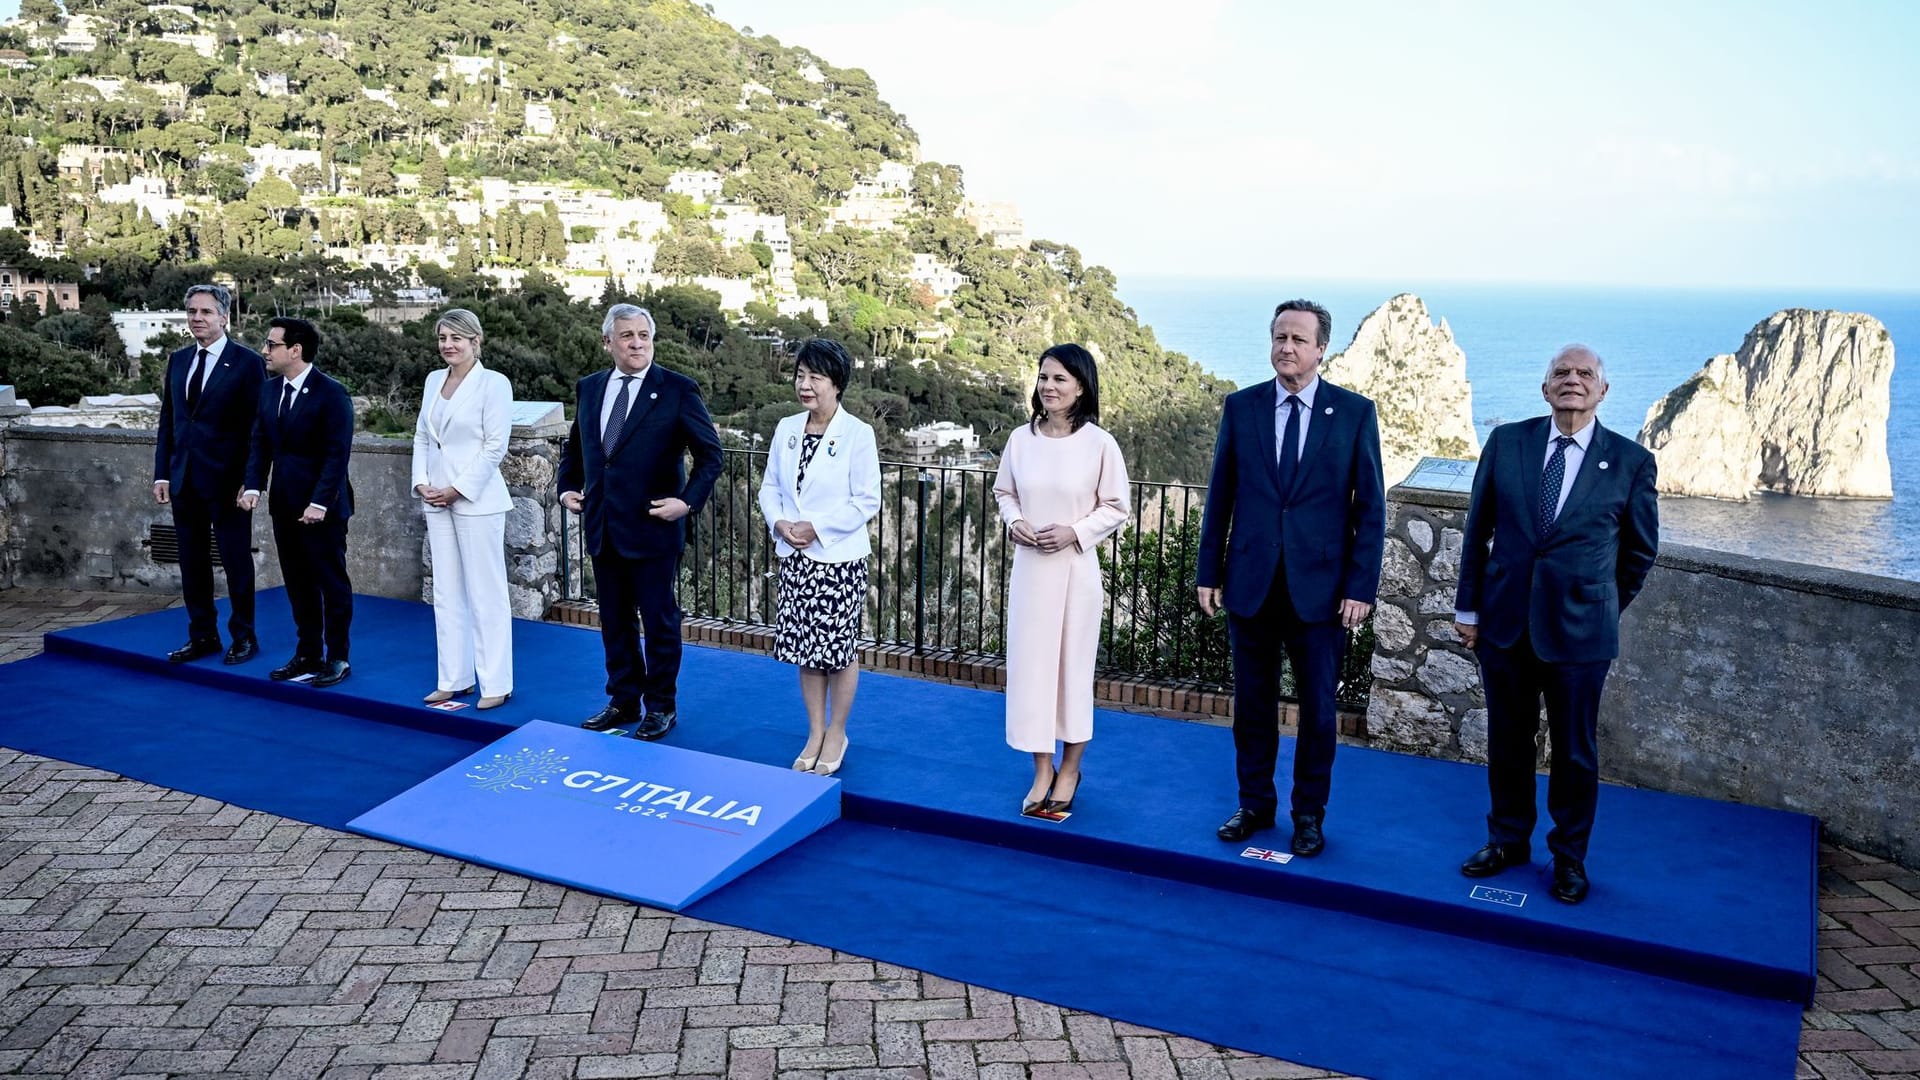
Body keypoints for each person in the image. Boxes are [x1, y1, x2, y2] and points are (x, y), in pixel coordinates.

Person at [1454, 344, 1659, 904]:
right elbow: (1478, 533)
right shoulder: (1507, 443)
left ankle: (1569, 858)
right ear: (1545, 389)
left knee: (1573, 751)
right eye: (1561, 373)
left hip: (1580, 636)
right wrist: (1467, 610)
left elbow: (1639, 554)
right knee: (1508, 741)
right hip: (1505, 627)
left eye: (1584, 374)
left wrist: (1599, 608)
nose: (1573, 380)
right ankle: (1507, 842)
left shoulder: (1630, 462)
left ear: (1602, 391)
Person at [1196, 299, 1385, 857]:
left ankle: (1308, 815)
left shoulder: (1353, 414)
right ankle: (1254, 804)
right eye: (1280, 337)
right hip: (1251, 583)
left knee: (1319, 712)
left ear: (1321, 348)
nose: (1287, 348)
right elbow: (1221, 495)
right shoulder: (1242, 407)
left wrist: (1359, 585)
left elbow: (1369, 509)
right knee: (1251, 704)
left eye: (1299, 339)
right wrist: (1209, 571)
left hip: (1322, 592)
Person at [559, 303, 724, 740]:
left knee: (659, 621)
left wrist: (686, 504)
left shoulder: (677, 389)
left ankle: (661, 708)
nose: (636, 343)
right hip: (603, 525)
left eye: (643, 336)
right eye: (627, 336)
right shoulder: (589, 388)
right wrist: (567, 487)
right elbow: (575, 451)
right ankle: (623, 700)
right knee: (614, 621)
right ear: (607, 343)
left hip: (654, 528)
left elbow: (711, 455)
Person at [993, 344, 1130, 816]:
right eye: (1043, 378)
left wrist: (1074, 531)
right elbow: (1004, 493)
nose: (1048, 387)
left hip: (1075, 571)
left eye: (1060, 380)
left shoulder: (1100, 444)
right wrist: (1015, 524)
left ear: (1081, 387)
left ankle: (1070, 768)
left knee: (1071, 671)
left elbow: (1115, 506)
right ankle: (1042, 768)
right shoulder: (1020, 440)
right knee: (1032, 672)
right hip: (1030, 572)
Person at [756, 338, 882, 775]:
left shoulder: (858, 434)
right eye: (800, 376)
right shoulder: (786, 428)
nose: (805, 385)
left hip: (839, 559)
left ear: (837, 383)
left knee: (838, 650)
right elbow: (769, 487)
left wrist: (817, 528)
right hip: (794, 557)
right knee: (805, 649)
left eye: (816, 377)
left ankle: (837, 732)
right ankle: (814, 730)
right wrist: (780, 524)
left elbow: (867, 501)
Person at [153, 284, 266, 666]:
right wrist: (161, 474)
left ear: (224, 317)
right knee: (192, 562)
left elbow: (257, 428)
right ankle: (202, 635)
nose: (197, 319)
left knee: (236, 561)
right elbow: (169, 422)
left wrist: (252, 481)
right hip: (184, 480)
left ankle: (244, 637)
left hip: (229, 484)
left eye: (205, 312)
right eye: (191, 312)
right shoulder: (178, 360)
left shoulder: (248, 362)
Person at [241, 317, 356, 688]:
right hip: (284, 506)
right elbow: (260, 443)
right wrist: (253, 486)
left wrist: (320, 503)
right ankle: (307, 654)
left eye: (272, 345)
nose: (265, 351)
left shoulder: (331, 393)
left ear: (296, 350)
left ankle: (337, 657)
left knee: (330, 582)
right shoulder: (269, 391)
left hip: (323, 509)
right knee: (297, 584)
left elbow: (336, 455)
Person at [411, 309, 515, 710]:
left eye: (457, 338)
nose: (448, 345)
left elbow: (495, 446)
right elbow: (422, 435)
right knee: (446, 591)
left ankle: (496, 683)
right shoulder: (433, 380)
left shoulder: (494, 384)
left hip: (477, 501)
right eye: (442, 338)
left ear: (475, 341)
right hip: (434, 497)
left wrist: (457, 489)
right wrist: (422, 482)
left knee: (485, 593)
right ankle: (453, 678)